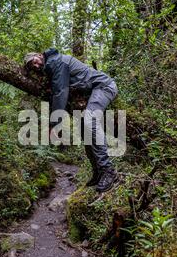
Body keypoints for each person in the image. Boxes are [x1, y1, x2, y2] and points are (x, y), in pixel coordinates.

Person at [24, 48, 118, 193]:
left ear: (38, 55)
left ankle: (108, 170)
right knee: (84, 131)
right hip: (92, 94)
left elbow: (60, 93)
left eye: (33, 61)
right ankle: (98, 172)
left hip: (103, 86)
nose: (35, 66)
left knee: (89, 121)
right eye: (31, 67)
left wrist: (54, 124)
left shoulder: (55, 62)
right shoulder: (51, 66)